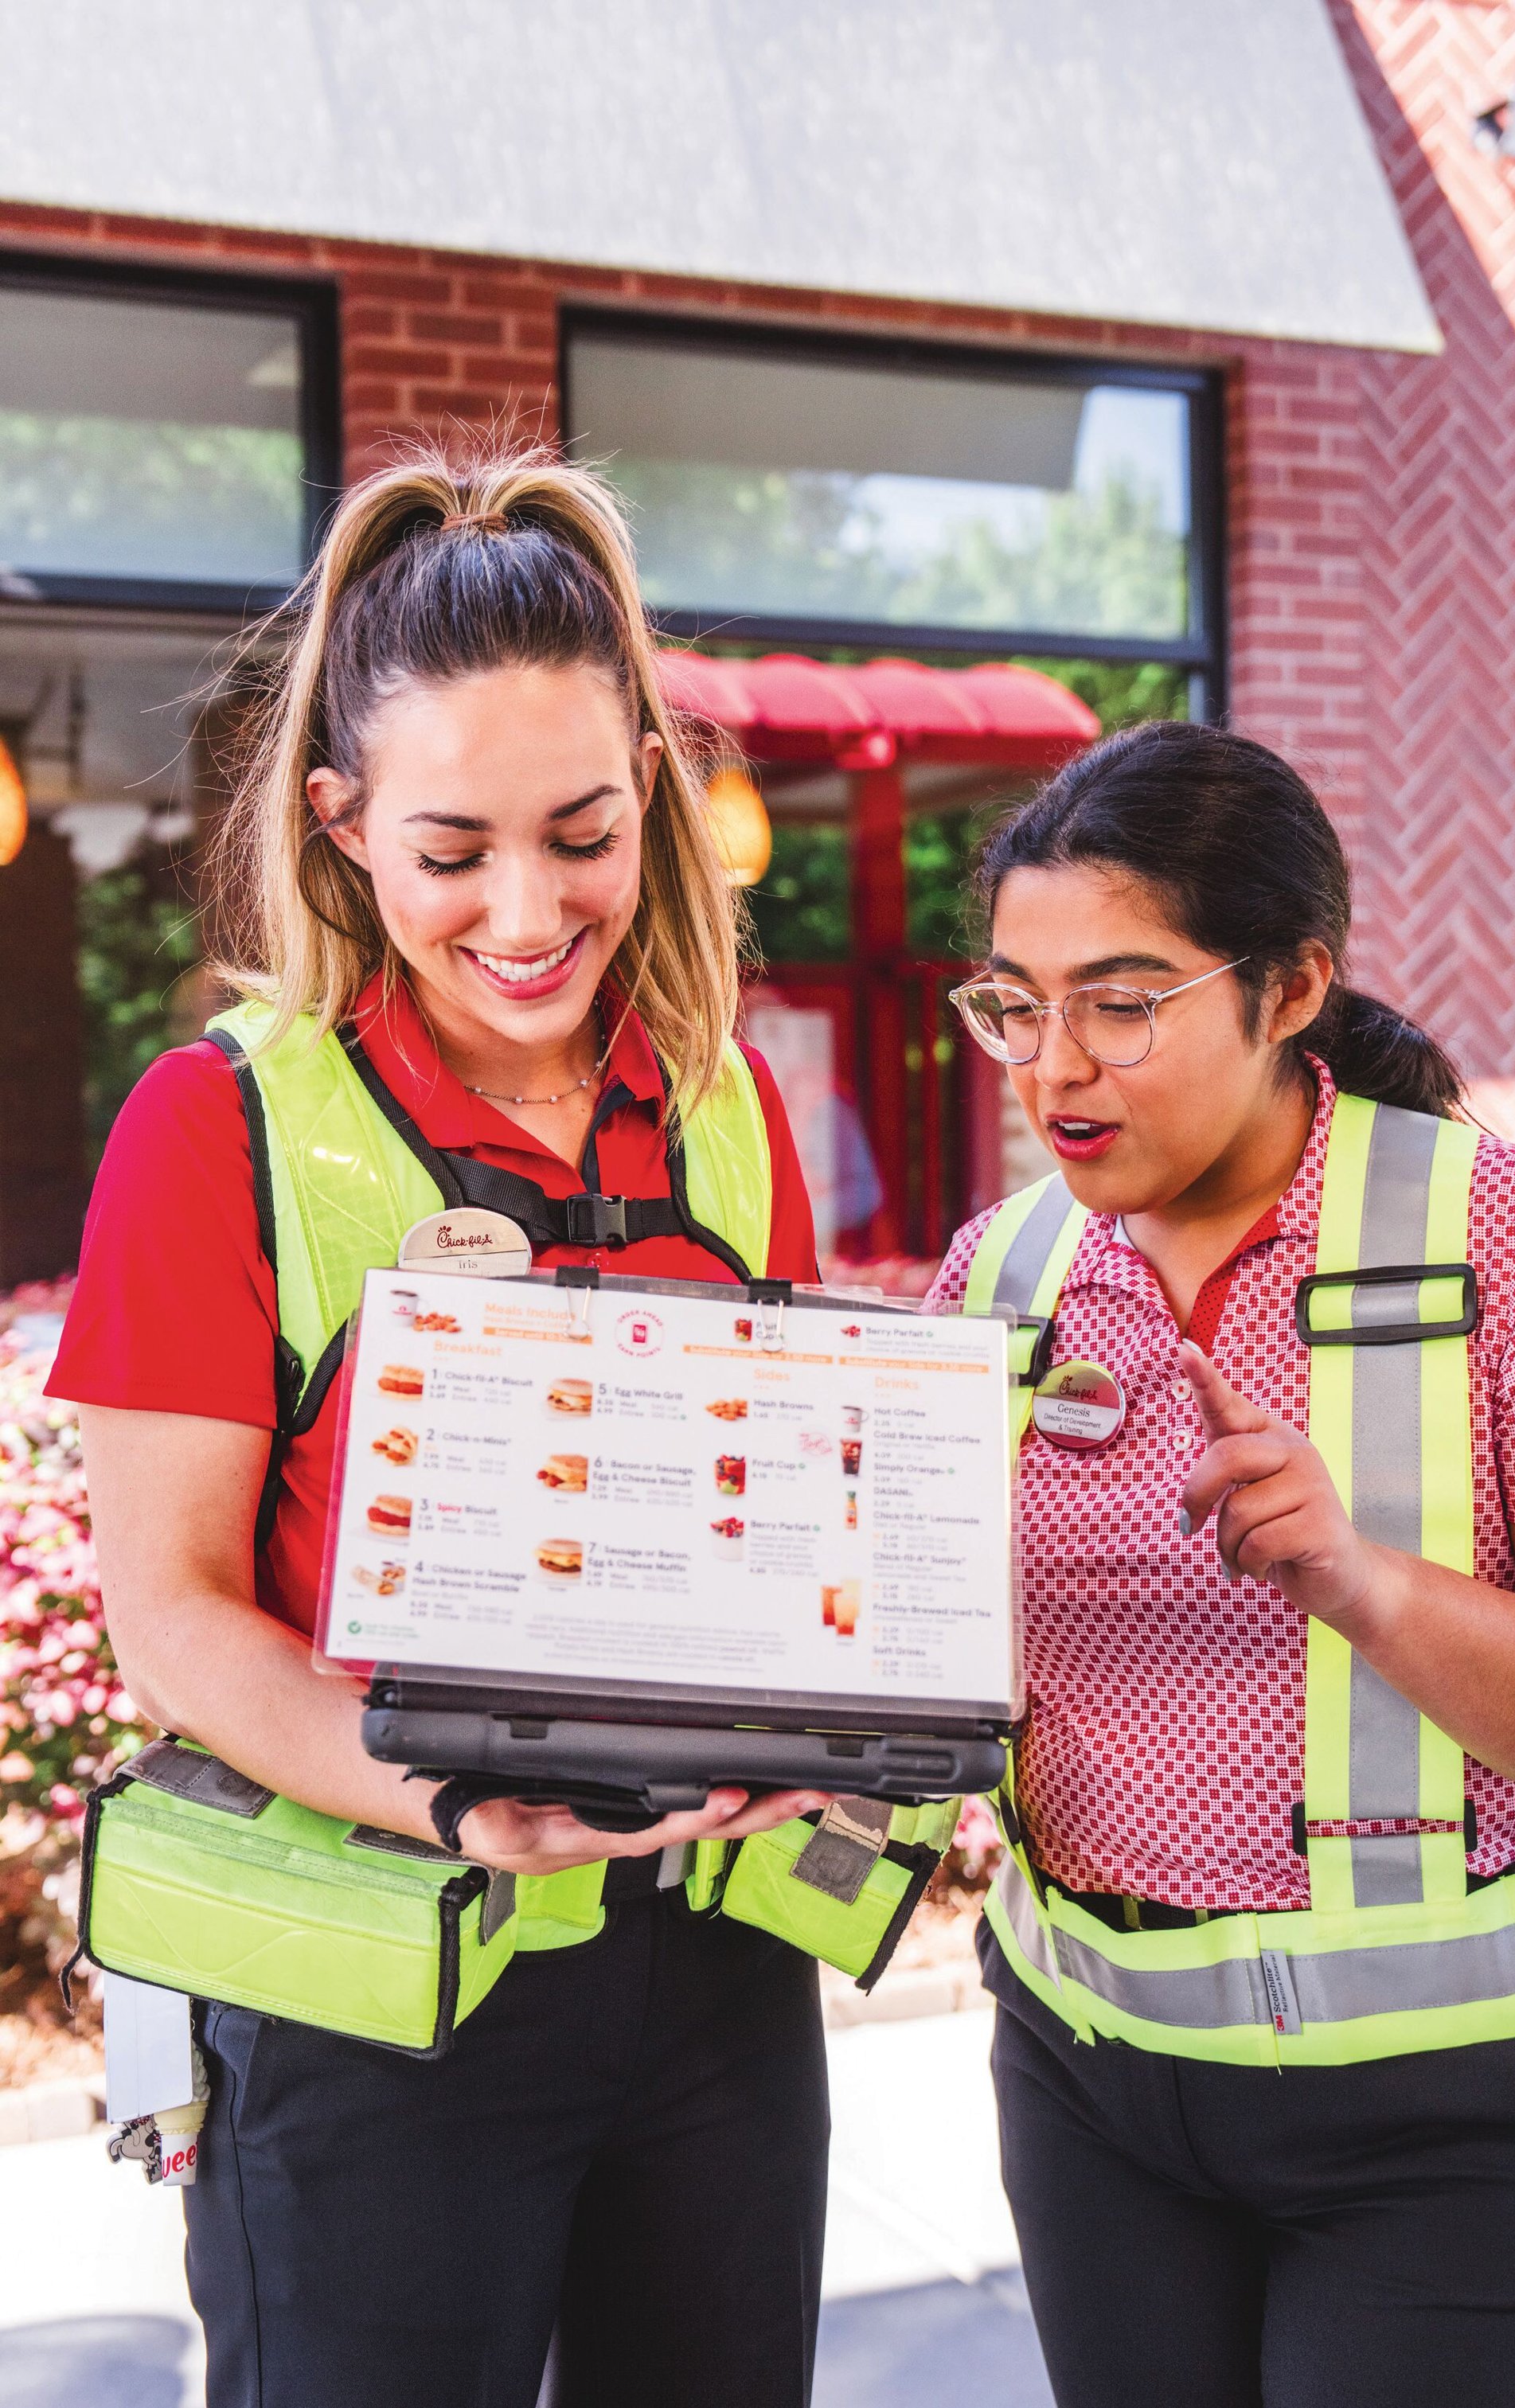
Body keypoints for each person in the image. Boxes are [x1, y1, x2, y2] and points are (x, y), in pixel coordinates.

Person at [51, 443, 840, 2408]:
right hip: (370, 1978)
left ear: (649, 785)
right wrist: (452, 1803)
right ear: (339, 823)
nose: (525, 908)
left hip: (711, 1988)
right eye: (450, 849)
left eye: (580, 830)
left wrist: (841, 1703)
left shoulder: (726, 1105)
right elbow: (168, 1609)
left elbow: (784, 1528)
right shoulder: (216, 1125)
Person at [935, 719, 1515, 2408]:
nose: (1050, 1067)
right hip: (1093, 2089)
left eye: (1121, 1000)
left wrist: (1358, 1578)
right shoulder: (996, 1276)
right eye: (1014, 1002)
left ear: (1289, 985)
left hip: (1464, 2118)